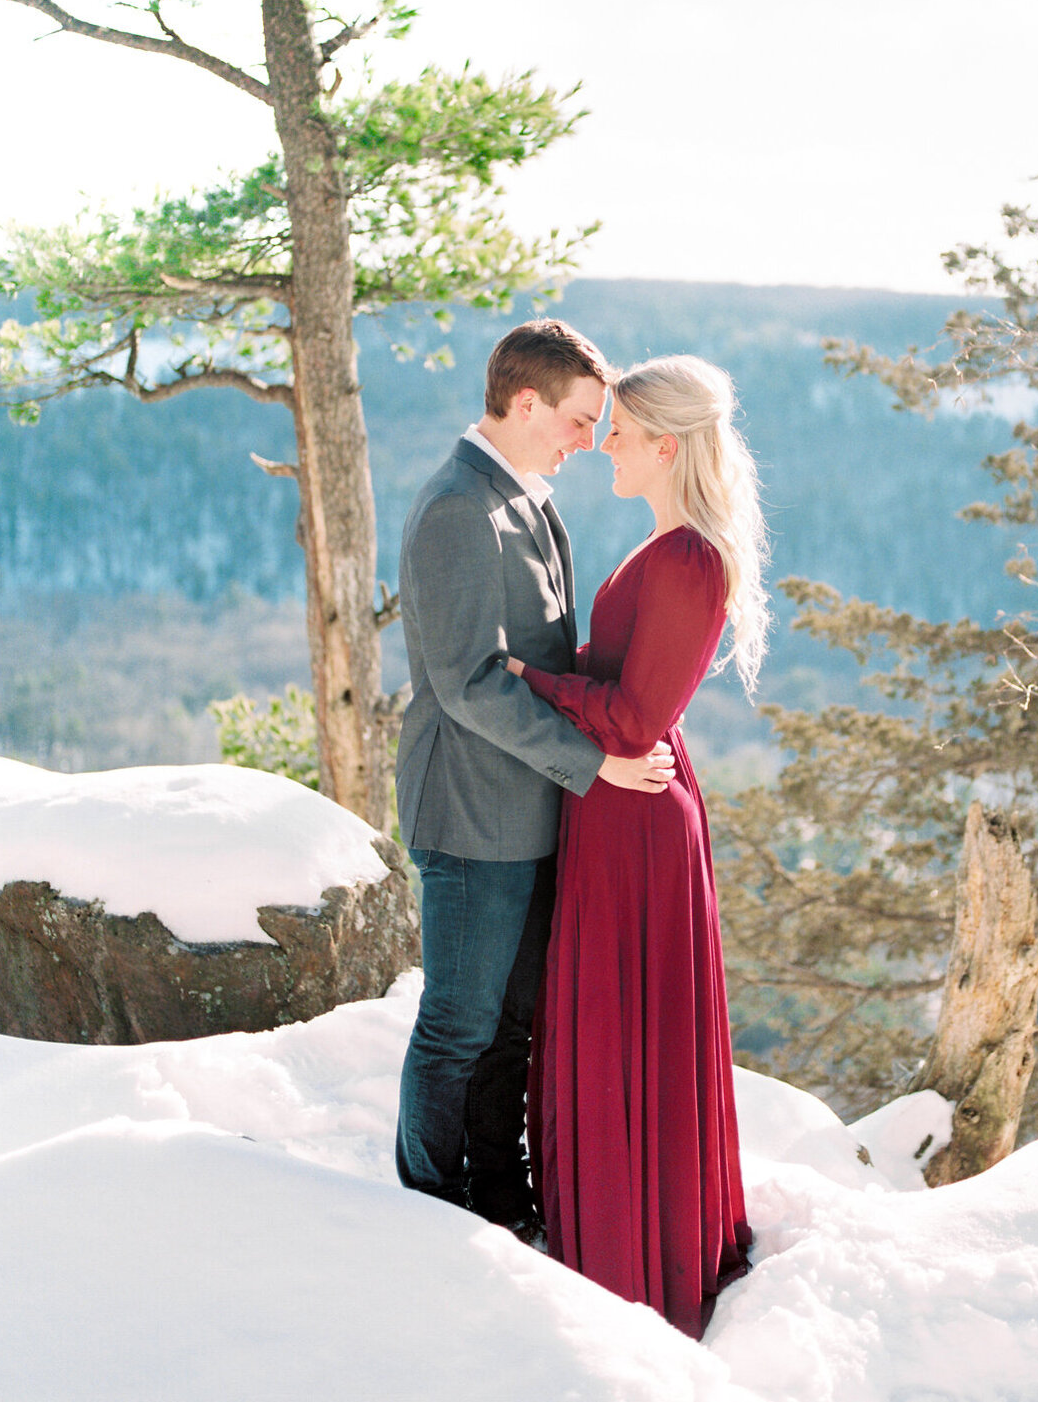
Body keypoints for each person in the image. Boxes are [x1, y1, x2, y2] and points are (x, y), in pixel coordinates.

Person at [508, 354, 770, 1339]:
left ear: (665, 444)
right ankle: (609, 1241)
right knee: (612, 1026)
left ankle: (636, 1267)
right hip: (617, 812)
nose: (602, 444)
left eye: (616, 432)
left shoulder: (691, 558)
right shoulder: (665, 549)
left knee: (627, 1030)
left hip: (638, 820)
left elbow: (637, 716)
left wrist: (527, 680)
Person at [394, 319, 675, 1236]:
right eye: (580, 420)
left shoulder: (532, 502)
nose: (590, 442)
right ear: (526, 404)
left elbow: (546, 657)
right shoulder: (457, 510)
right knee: (458, 1028)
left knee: (512, 1029)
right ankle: (425, 1213)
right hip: (473, 817)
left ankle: (501, 1203)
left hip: (531, 810)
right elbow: (470, 682)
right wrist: (594, 765)